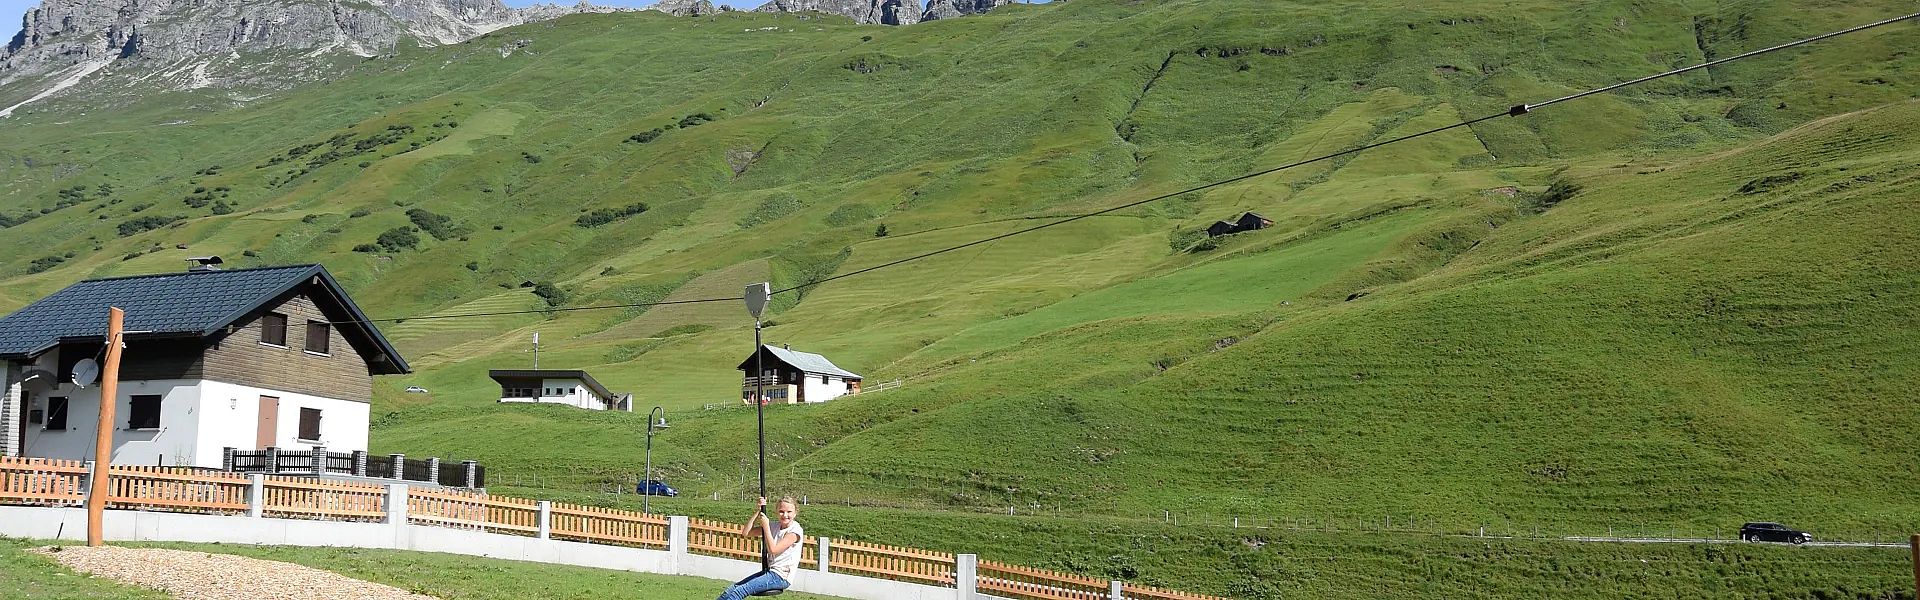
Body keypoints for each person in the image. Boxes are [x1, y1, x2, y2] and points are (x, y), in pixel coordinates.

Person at [716, 496, 804, 600]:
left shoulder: (795, 531)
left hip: (781, 576)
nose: (785, 515)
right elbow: (746, 533)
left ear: (795, 513)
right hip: (770, 572)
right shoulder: (774, 526)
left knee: (740, 591)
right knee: (733, 589)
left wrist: (766, 526)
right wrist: (758, 511)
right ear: (776, 511)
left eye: (789, 511)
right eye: (781, 511)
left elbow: (773, 550)